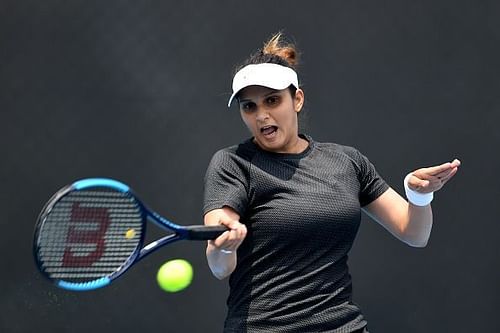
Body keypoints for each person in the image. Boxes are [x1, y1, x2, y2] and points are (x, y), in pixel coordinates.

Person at [203, 33, 460, 333]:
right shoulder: (232, 164)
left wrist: (418, 197)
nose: (261, 115)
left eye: (272, 100)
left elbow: (414, 233)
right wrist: (224, 246)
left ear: (297, 99)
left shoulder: (347, 162)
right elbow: (219, 265)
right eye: (249, 106)